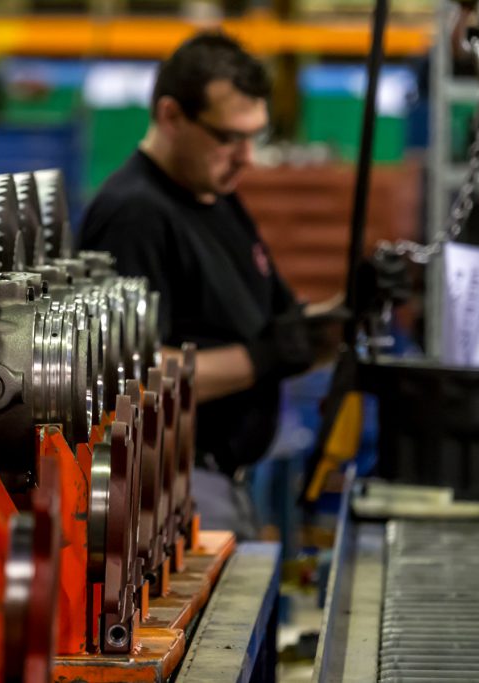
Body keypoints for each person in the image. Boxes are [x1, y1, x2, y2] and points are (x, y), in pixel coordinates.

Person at [78, 32, 327, 535]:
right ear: (171, 116)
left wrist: (355, 309)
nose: (247, 157)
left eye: (254, 135)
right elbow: (126, 379)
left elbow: (284, 331)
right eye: (229, 136)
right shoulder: (136, 215)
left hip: (228, 480)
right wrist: (258, 361)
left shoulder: (216, 196)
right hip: (176, 487)